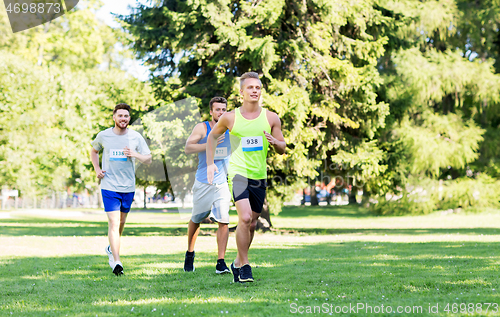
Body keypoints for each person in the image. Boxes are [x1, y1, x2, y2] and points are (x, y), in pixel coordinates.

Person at [206, 72, 286, 283]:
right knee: (244, 217)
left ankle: (236, 263)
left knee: (251, 224)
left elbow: (282, 148)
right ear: (241, 92)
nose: (254, 91)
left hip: (259, 175)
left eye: (258, 88)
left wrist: (275, 143)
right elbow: (212, 137)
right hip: (238, 173)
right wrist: (210, 163)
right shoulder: (230, 117)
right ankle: (246, 265)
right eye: (250, 88)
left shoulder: (271, 118)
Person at [90, 103, 152, 275]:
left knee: (121, 223)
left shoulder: (135, 137)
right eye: (120, 115)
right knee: (114, 222)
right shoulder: (104, 135)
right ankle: (117, 261)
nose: (123, 118)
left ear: (129, 118)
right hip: (109, 185)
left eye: (126, 116)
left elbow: (148, 159)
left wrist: (135, 154)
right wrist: (97, 169)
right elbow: (94, 151)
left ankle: (111, 248)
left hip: (128, 187)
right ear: (114, 117)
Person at [183, 97, 231, 274]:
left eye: (224, 109)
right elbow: (188, 148)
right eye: (217, 109)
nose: (221, 113)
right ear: (211, 111)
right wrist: (208, 145)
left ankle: (221, 262)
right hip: (203, 182)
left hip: (221, 183)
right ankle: (189, 253)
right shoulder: (203, 128)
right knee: (196, 220)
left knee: (224, 220)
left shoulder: (231, 128)